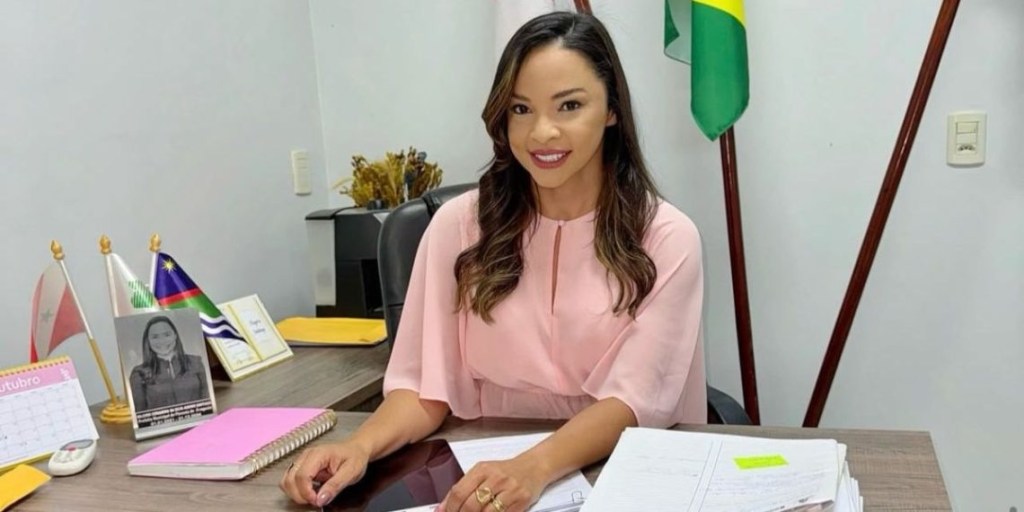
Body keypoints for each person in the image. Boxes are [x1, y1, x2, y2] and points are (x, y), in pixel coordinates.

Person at [281, 11, 705, 512]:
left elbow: (633, 400)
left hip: (620, 472)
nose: (542, 132)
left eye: (569, 105)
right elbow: (424, 388)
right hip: (482, 473)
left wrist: (534, 467)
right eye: (521, 109)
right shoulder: (458, 227)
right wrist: (359, 446)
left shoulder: (666, 238)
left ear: (612, 109)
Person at [128, 315, 210, 411]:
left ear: (175, 335)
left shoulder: (196, 362)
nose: (162, 341)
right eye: (155, 337)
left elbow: (207, 402)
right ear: (148, 341)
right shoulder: (138, 374)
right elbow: (140, 412)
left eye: (167, 335)